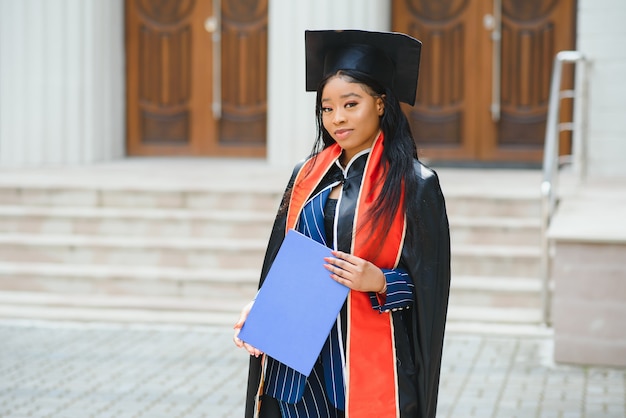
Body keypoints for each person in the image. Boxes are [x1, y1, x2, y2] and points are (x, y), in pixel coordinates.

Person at [234, 29, 450, 418]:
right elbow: (285, 261)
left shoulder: (414, 184)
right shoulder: (307, 175)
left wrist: (382, 282)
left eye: (351, 104)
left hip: (360, 361)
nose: (338, 118)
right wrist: (262, 307)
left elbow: (431, 287)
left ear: (381, 103)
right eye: (327, 108)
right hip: (294, 362)